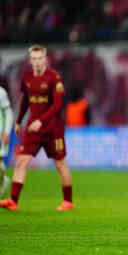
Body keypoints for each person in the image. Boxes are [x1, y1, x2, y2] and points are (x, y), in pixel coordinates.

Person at [0, 45, 74, 211]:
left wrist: (41, 120)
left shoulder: (53, 77)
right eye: (34, 59)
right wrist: (18, 121)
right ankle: (13, 201)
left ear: (45, 58)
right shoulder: (26, 77)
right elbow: (26, 101)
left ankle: (68, 201)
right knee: (21, 162)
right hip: (33, 128)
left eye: (40, 58)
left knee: (60, 164)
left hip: (53, 129)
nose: (37, 62)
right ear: (30, 60)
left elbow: (57, 105)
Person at [0, 79, 13, 198]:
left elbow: (8, 113)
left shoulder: (1, 92)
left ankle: (3, 181)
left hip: (0, 135)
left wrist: (7, 132)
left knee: (0, 167)